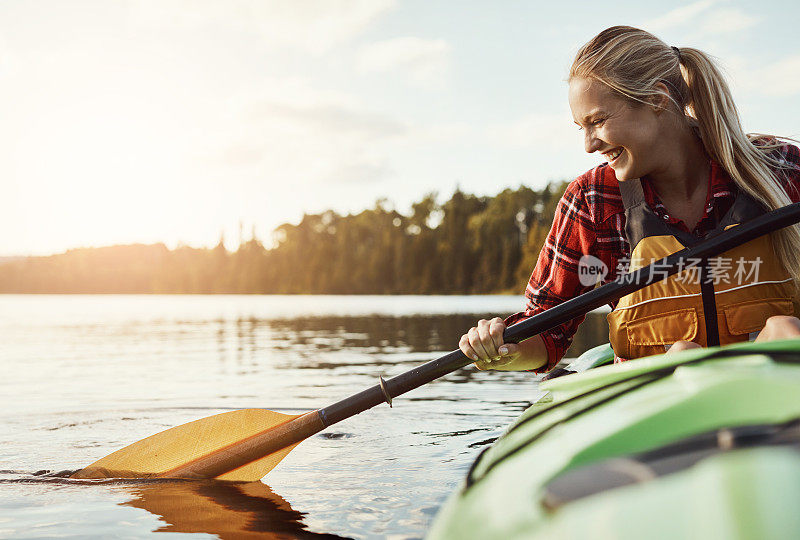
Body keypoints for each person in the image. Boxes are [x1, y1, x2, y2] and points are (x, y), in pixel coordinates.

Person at [460, 26, 800, 372]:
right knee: (683, 356)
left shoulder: (781, 167)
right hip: (656, 399)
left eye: (598, 121)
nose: (589, 145)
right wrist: (504, 348)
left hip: (777, 386)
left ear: (657, 99)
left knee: (784, 329)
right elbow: (548, 335)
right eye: (582, 127)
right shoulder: (592, 200)